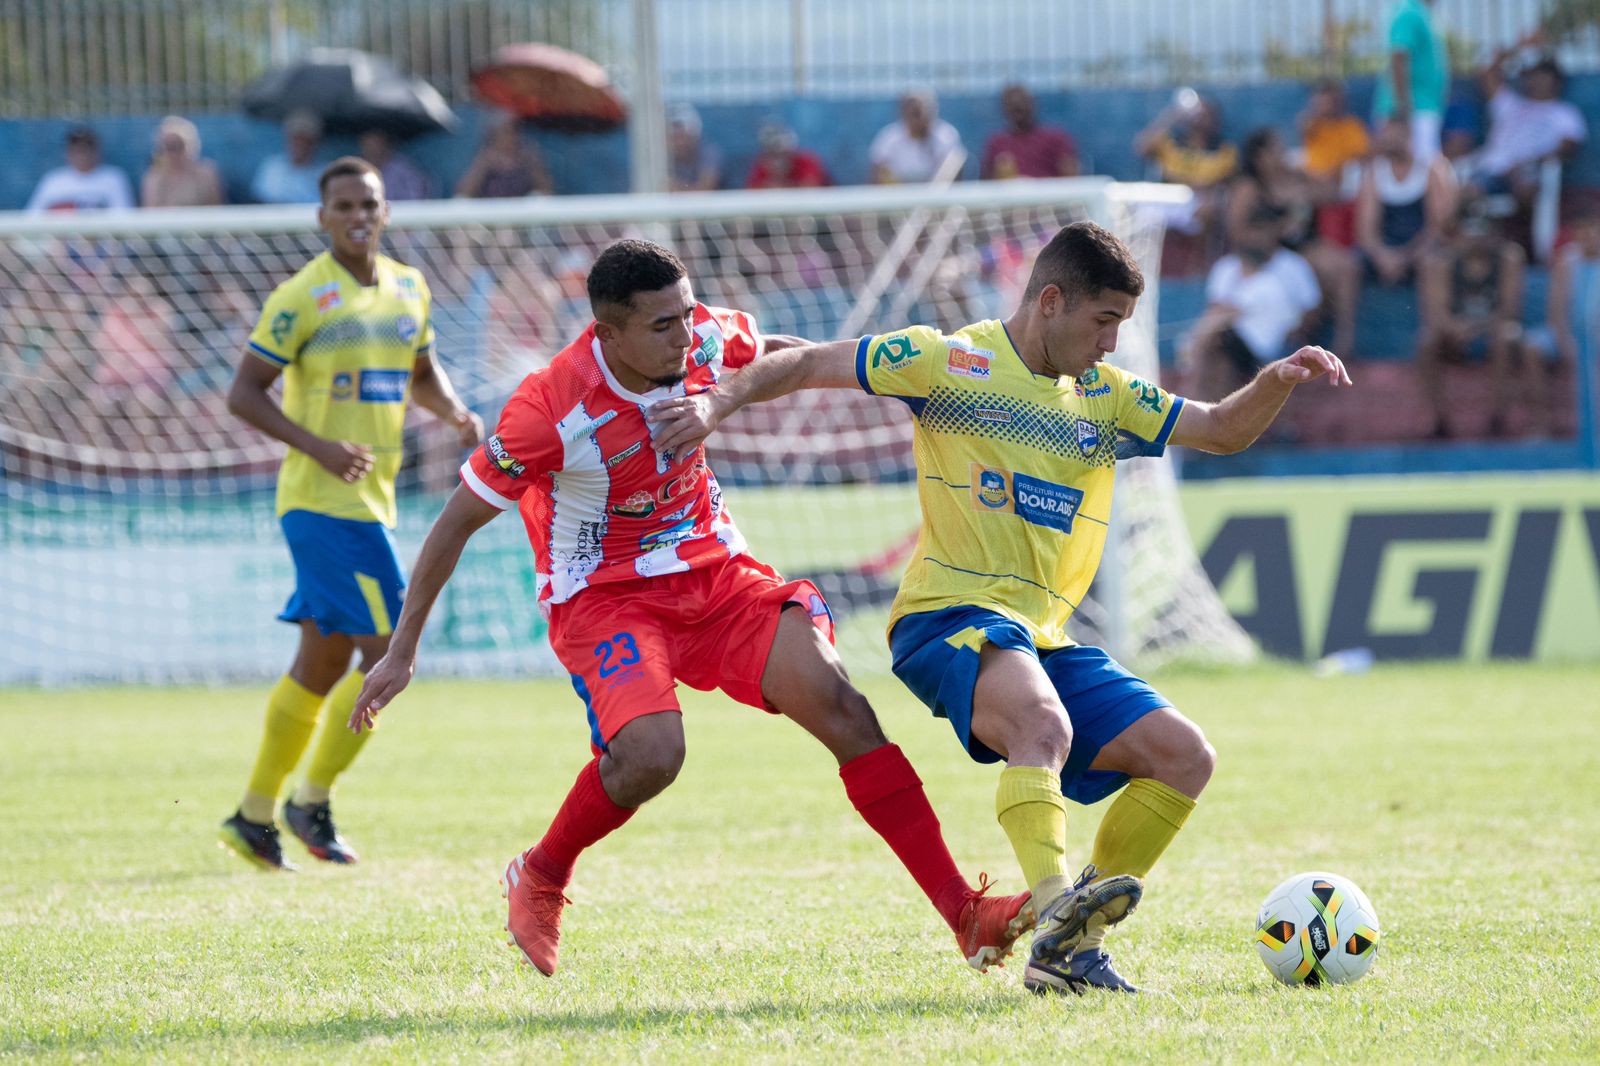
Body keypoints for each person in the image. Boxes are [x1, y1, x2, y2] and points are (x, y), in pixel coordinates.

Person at [649, 221, 1352, 994]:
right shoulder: (946, 361)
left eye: (1120, 324)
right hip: (946, 617)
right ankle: (1056, 907)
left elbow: (1219, 429)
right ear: (1050, 301)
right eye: (1103, 321)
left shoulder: (1106, 397)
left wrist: (1276, 381)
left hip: (1042, 638)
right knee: (1041, 725)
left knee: (1184, 757)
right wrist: (715, 404)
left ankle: (1070, 944)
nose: (1112, 344)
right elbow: (809, 361)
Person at [349, 239, 1033, 979]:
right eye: (663, 326)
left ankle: (965, 914)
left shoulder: (700, 334)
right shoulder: (548, 408)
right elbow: (455, 520)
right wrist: (402, 649)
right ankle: (541, 874)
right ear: (608, 334)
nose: (686, 335)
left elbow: (780, 353)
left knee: (844, 707)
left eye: (686, 314)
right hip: (604, 598)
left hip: (715, 576)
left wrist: (735, 394)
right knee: (651, 755)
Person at [218, 157, 483, 870]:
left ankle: (252, 817)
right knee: (389, 650)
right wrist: (319, 448)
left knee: (324, 660)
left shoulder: (409, 288)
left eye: (369, 202)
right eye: (343, 205)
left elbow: (419, 374)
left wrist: (454, 411)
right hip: (321, 502)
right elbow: (243, 393)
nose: (358, 215)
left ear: (386, 210)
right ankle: (310, 799)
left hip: (373, 501)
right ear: (322, 218)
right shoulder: (302, 297)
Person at [1228, 127, 1359, 355]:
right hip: (1269, 254)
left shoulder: (1296, 175)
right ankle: (1300, 338)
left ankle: (1344, 340)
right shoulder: (1249, 188)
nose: (1282, 154)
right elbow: (1238, 233)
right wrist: (1277, 230)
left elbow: (1334, 193)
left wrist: (1306, 186)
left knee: (1346, 266)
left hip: (1306, 248)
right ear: (1259, 158)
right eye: (1276, 150)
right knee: (1307, 277)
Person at [1185, 205, 1324, 400]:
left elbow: (1311, 308)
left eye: (1264, 229)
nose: (1259, 237)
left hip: (1277, 342)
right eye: (1255, 230)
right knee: (1219, 357)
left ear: (1275, 231)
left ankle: (1196, 399)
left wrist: (1295, 336)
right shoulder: (1228, 267)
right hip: (1238, 341)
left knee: (1214, 343)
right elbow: (1218, 308)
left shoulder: (1286, 271)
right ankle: (1210, 407)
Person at [1416, 207, 1528, 438]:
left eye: (1481, 232)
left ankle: (1497, 419)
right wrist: (1456, 328)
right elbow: (1436, 313)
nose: (1475, 239)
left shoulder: (1509, 258)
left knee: (1506, 336)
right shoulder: (1442, 263)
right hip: (1456, 336)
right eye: (1469, 232)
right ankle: (1440, 422)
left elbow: (1510, 310)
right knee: (1426, 342)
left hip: (1493, 331)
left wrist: (1477, 328)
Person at [1460, 39, 1587, 211]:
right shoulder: (1509, 104)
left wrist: (1529, 163)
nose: (1535, 80)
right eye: (1531, 75)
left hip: (1530, 173)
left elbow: (1569, 146)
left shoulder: (1565, 113)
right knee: (1464, 193)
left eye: (1542, 75)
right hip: (1491, 169)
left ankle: (1524, 236)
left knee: (1527, 189)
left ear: (1556, 81)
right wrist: (1518, 46)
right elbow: (1486, 74)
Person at [1134, 93, 1237, 267]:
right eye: (1197, 113)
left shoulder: (1224, 150)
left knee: (1208, 210)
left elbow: (1219, 182)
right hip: (1168, 199)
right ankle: (1141, 268)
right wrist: (1173, 115)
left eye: (1206, 114)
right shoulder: (1171, 145)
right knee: (1134, 211)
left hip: (1198, 201)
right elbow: (1141, 147)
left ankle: (1197, 269)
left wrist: (1183, 182)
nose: (1200, 118)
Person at [1355, 116, 1458, 287]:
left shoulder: (1431, 169)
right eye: (1386, 137)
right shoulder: (1373, 173)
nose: (1390, 141)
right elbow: (1366, 231)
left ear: (1409, 136)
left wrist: (1406, 258)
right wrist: (1383, 256)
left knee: (1433, 264)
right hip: (1387, 249)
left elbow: (1438, 227)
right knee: (1349, 266)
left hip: (1422, 249)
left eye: (1395, 136)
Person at [1297, 79, 1370, 246]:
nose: (1330, 104)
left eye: (1334, 99)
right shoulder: (1312, 125)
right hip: (1312, 182)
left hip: (1340, 186)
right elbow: (1304, 124)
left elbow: (1362, 158)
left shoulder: (1353, 126)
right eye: (1325, 99)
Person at [1373, 0, 1447, 162]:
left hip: (1419, 108)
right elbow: (1399, 56)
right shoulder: (1409, 13)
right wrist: (1403, 107)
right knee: (1425, 170)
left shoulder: (1420, 12)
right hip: (1411, 111)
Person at [26, 126, 134, 213]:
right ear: (68, 153)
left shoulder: (113, 178)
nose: (82, 155)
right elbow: (33, 218)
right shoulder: (53, 180)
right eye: (77, 150)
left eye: (86, 149)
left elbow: (123, 219)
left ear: (96, 151)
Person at [981, 84, 1079, 180]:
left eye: (1021, 105)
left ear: (1033, 104)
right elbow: (987, 184)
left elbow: (1071, 178)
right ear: (1004, 109)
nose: (1018, 111)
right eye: (1014, 108)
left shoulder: (1056, 139)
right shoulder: (996, 143)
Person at [870, 89, 965, 184]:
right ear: (903, 114)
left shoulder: (946, 135)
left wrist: (930, 195)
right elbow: (877, 172)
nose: (917, 120)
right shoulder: (889, 138)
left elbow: (952, 170)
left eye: (921, 113)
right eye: (913, 114)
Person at [455, 116, 554, 199]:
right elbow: (463, 194)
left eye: (513, 131)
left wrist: (533, 165)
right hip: (491, 216)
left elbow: (547, 192)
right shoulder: (484, 159)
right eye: (505, 132)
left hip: (522, 216)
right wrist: (482, 166)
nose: (511, 137)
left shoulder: (528, 157)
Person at [140, 116, 224, 208]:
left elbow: (215, 210)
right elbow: (152, 213)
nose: (172, 154)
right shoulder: (153, 177)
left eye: (177, 146)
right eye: (167, 147)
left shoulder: (206, 173)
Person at [250, 111, 326, 205]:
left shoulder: (324, 172)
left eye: (305, 140)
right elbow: (261, 200)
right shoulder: (271, 167)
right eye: (295, 139)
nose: (300, 145)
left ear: (315, 142)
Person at [744, 120, 830, 189]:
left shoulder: (806, 161)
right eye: (773, 154)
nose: (778, 160)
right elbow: (753, 194)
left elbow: (811, 190)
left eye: (782, 154)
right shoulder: (761, 166)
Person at [358, 129, 431, 202]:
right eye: (367, 146)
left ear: (385, 145)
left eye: (375, 144)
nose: (371, 150)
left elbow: (414, 200)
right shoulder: (357, 168)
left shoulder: (404, 170)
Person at [667, 104, 722, 192]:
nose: (679, 142)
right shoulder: (660, 158)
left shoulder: (709, 153)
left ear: (695, 136)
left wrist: (675, 187)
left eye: (682, 136)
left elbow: (704, 192)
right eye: (674, 137)